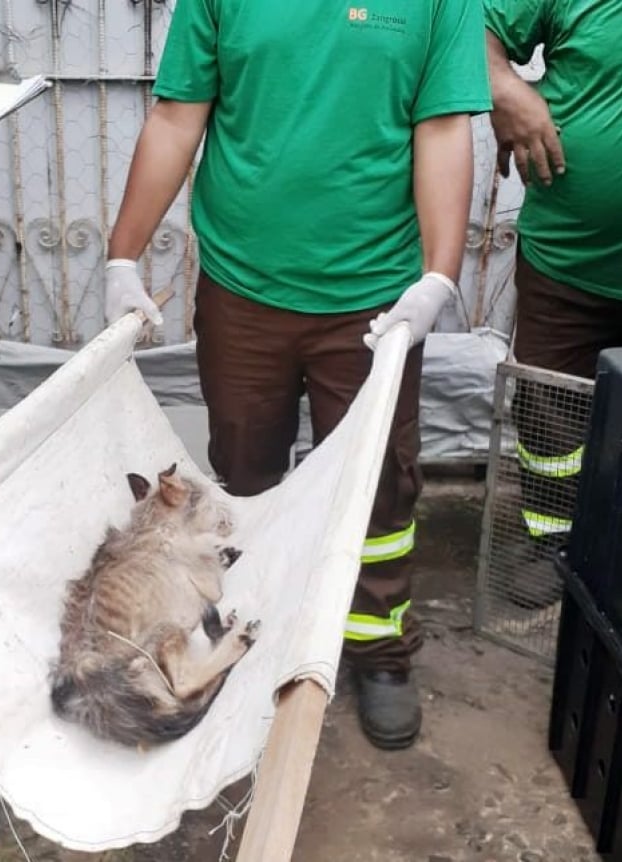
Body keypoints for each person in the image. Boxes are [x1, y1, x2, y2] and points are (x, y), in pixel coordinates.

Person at [104, 0, 491, 749]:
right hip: (244, 287)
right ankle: (251, 636)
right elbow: (179, 116)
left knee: (379, 482)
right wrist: (124, 253)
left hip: (374, 298)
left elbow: (442, 128)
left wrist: (438, 276)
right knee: (244, 477)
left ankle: (377, 649)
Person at [483, 0, 622, 602]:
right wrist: (505, 87)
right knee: (548, 406)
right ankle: (553, 537)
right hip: (569, 253)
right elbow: (473, 31)